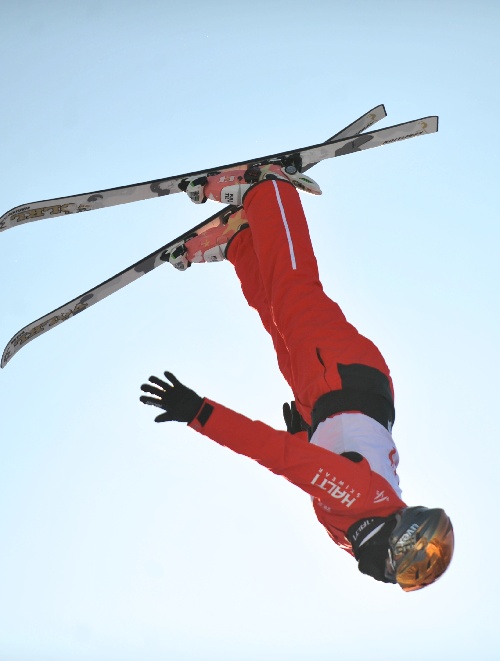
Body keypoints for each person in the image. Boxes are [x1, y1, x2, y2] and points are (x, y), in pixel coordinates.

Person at [140, 165, 454, 592]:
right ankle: (270, 188)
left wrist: (308, 436)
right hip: (344, 376)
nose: (395, 574)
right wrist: (199, 413)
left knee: (276, 317)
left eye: (405, 575)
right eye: (405, 567)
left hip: (323, 401)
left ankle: (239, 238)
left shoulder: (353, 531)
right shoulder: (360, 501)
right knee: (294, 291)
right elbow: (277, 455)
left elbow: (325, 456)